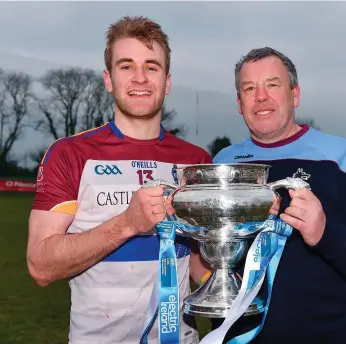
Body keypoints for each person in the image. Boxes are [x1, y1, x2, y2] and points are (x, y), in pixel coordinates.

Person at [26, 16, 212, 344]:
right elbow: (40, 265)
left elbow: (198, 262)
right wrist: (127, 223)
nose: (140, 78)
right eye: (126, 66)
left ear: (167, 81)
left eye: (151, 67)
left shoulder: (196, 161)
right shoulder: (69, 154)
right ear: (108, 79)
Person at [211, 47, 346, 343]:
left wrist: (325, 233)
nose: (261, 96)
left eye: (272, 85)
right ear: (239, 102)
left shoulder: (338, 156)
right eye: (250, 88)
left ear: (295, 94)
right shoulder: (223, 163)